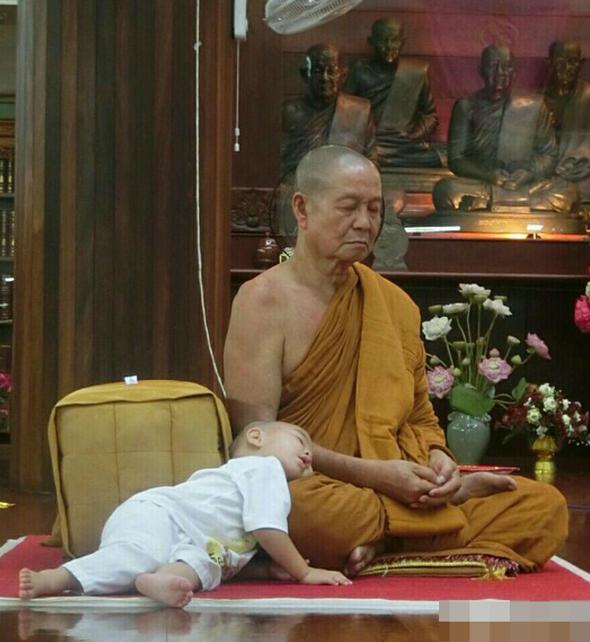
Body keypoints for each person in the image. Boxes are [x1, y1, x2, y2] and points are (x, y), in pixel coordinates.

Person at [224, 144, 568, 575]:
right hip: (319, 487)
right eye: (348, 207)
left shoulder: (393, 304)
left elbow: (420, 416)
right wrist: (374, 475)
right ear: (302, 209)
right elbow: (256, 444)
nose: (364, 223)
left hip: (396, 488)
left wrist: (441, 460)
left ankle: (385, 539)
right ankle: (413, 531)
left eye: (374, 209)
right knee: (291, 508)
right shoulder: (262, 301)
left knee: (545, 506)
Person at [19, 421, 351, 607]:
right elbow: (267, 529)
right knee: (136, 554)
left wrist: (264, 571)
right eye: (299, 440)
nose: (308, 452)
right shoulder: (263, 468)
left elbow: (235, 551)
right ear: (256, 437)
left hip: (192, 540)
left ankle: (162, 579)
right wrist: (303, 572)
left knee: (203, 566)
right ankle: (57, 579)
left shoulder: (259, 483)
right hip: (160, 516)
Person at [433, 45, 576, 213]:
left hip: (524, 184)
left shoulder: (534, 107)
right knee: (445, 190)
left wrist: (529, 173)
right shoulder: (466, 107)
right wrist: (489, 175)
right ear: (481, 71)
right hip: (484, 184)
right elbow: (457, 159)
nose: (500, 73)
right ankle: (516, 203)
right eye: (493, 66)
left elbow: (549, 155)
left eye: (506, 67)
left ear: (514, 72)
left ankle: (489, 204)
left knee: (569, 192)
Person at [279, 43, 377, 239]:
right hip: (301, 198)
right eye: (317, 71)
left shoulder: (359, 111)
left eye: (331, 71)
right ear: (304, 74)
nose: (324, 78)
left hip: (346, 202)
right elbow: (280, 164)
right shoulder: (290, 112)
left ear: (343, 75)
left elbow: (372, 162)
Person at [344, 17, 442, 169]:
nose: (389, 46)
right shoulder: (360, 71)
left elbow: (431, 116)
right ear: (371, 42)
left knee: (433, 158)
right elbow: (344, 111)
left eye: (394, 40)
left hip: (403, 145)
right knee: (360, 155)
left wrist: (414, 134)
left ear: (403, 42)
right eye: (382, 41)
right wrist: (365, 135)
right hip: (371, 143)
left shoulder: (415, 72)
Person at [544, 39, 590, 203]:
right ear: (550, 63)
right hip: (547, 173)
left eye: (572, 62)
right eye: (560, 62)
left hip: (580, 171)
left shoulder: (587, 96)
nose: (566, 68)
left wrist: (578, 159)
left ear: (581, 64)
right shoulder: (541, 98)